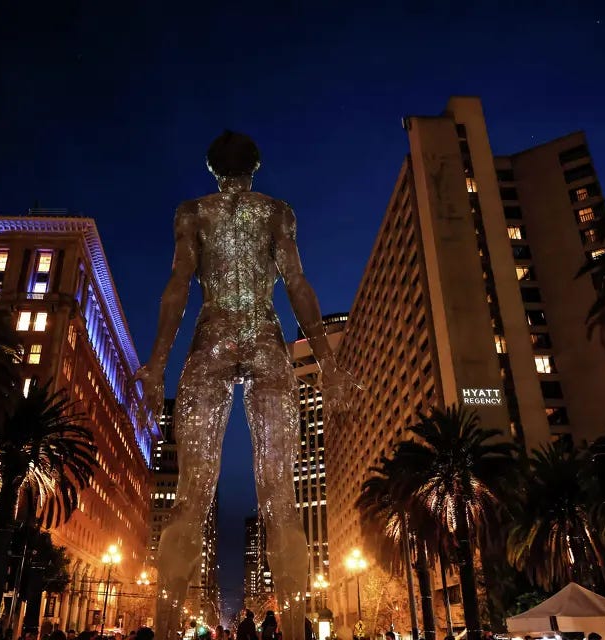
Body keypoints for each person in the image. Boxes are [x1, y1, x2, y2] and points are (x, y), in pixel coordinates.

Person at [142, 133, 352, 640]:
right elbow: (298, 286)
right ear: (255, 167)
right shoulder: (278, 212)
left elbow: (177, 287)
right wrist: (326, 362)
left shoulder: (192, 212)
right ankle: (297, 633)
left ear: (213, 169)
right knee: (280, 495)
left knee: (192, 494)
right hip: (265, 338)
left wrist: (156, 364)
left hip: (211, 336)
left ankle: (166, 629)